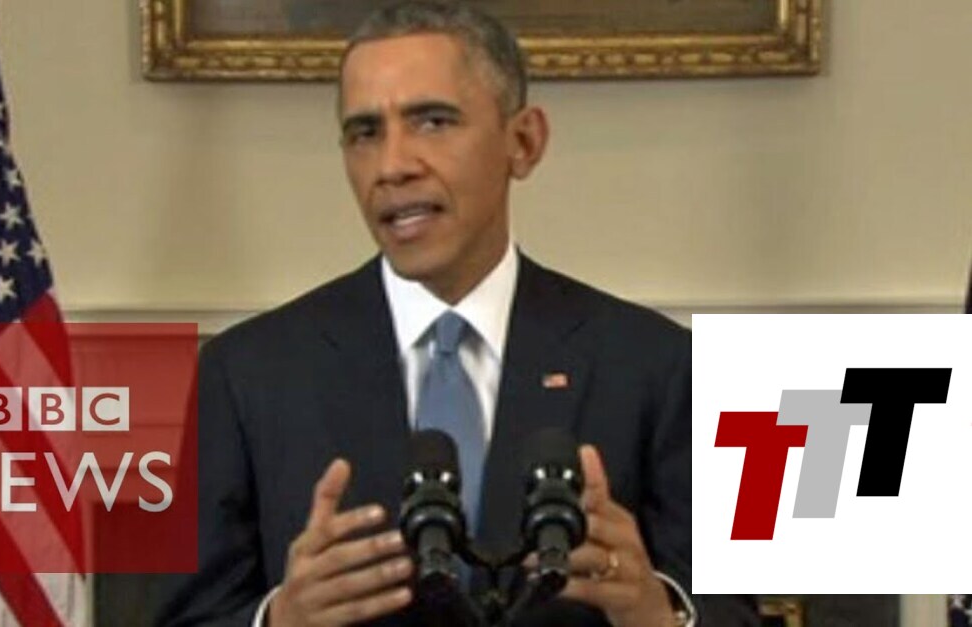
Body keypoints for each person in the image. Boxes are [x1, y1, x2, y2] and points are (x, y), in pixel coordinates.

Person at [157, 2, 757, 625]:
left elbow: (741, 613)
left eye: (433, 122)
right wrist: (279, 620)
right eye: (365, 133)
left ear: (523, 142)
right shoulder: (243, 374)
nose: (392, 165)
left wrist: (659, 614)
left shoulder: (663, 367)